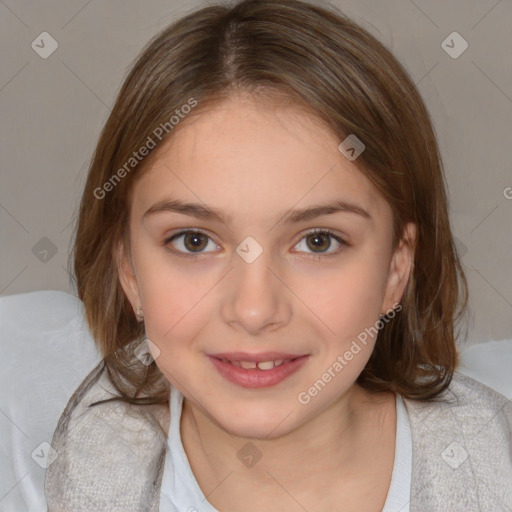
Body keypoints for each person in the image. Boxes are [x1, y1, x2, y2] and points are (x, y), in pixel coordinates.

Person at [44, 0, 512, 510]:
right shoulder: (85, 463)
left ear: (397, 270)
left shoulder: (491, 471)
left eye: (318, 241)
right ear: (129, 270)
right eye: (194, 241)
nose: (254, 310)